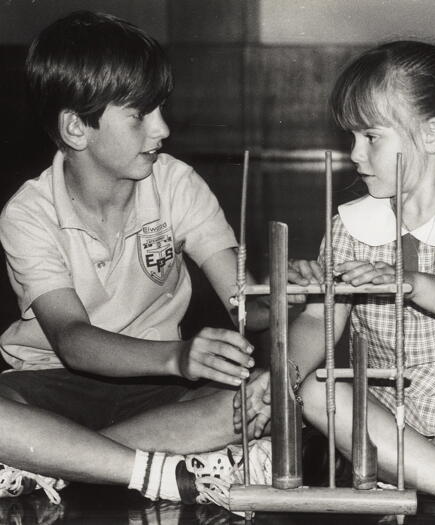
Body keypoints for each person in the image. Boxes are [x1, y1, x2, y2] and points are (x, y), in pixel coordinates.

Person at [0, 10, 276, 507]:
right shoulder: (28, 213)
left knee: (252, 403)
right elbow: (73, 341)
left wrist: (289, 292)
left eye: (161, 109)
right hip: (51, 386)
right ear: (76, 128)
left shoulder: (177, 184)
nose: (163, 128)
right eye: (140, 115)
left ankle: (57, 461)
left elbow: (247, 304)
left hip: (154, 389)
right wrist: (179, 356)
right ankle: (157, 471)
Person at [239, 40, 435, 517]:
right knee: (311, 389)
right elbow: (319, 322)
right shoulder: (353, 224)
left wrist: (409, 281)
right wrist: (283, 374)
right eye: (351, 138)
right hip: (387, 407)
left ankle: (403, 475)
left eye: (370, 138)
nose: (354, 154)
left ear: (432, 136)